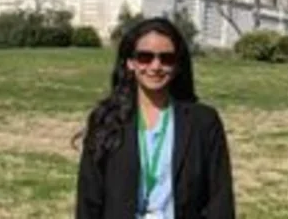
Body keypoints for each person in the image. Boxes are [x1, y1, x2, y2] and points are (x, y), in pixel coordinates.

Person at [74, 17, 235, 219]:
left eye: (166, 58)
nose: (155, 66)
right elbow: (89, 200)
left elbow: (220, 200)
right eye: (145, 57)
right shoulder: (107, 120)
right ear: (130, 63)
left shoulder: (203, 122)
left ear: (177, 65)